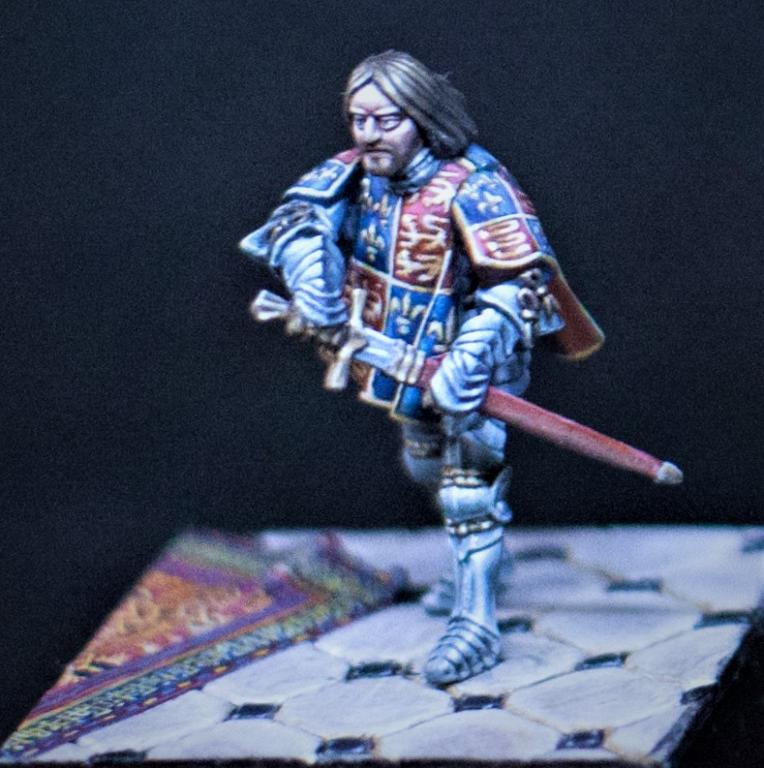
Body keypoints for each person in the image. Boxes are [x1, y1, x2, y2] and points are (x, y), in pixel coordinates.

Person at [241, 51, 604, 685]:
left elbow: (519, 284)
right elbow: (297, 220)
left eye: (385, 121)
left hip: (475, 359)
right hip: (396, 361)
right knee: (423, 464)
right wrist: (314, 283)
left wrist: (469, 359)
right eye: (358, 120)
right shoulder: (354, 173)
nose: (368, 135)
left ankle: (476, 623)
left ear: (423, 116)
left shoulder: (475, 184)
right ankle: (490, 562)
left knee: (468, 490)